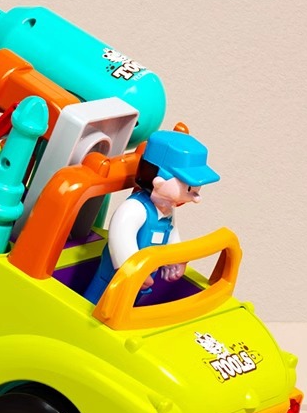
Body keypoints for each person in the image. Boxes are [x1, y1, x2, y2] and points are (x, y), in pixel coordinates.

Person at [84, 129, 219, 306]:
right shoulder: (134, 209)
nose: (196, 198)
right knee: (99, 302)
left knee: (129, 305)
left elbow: (172, 236)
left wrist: (177, 260)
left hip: (143, 279)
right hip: (115, 278)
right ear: (159, 180)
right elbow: (120, 239)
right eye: (189, 189)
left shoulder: (167, 211)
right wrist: (132, 271)